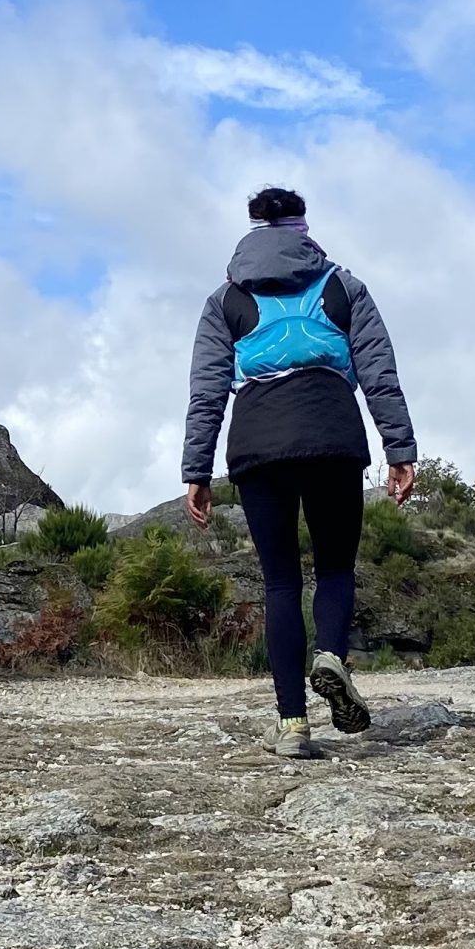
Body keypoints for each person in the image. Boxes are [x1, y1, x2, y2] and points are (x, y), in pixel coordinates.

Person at [182, 186, 418, 758]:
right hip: (333, 436)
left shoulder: (226, 299)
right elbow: (378, 370)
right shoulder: (342, 286)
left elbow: (207, 391)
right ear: (303, 226)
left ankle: (292, 725)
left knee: (281, 584)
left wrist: (197, 470)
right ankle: (331, 656)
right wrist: (399, 449)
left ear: (252, 227)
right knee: (335, 569)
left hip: (258, 445)